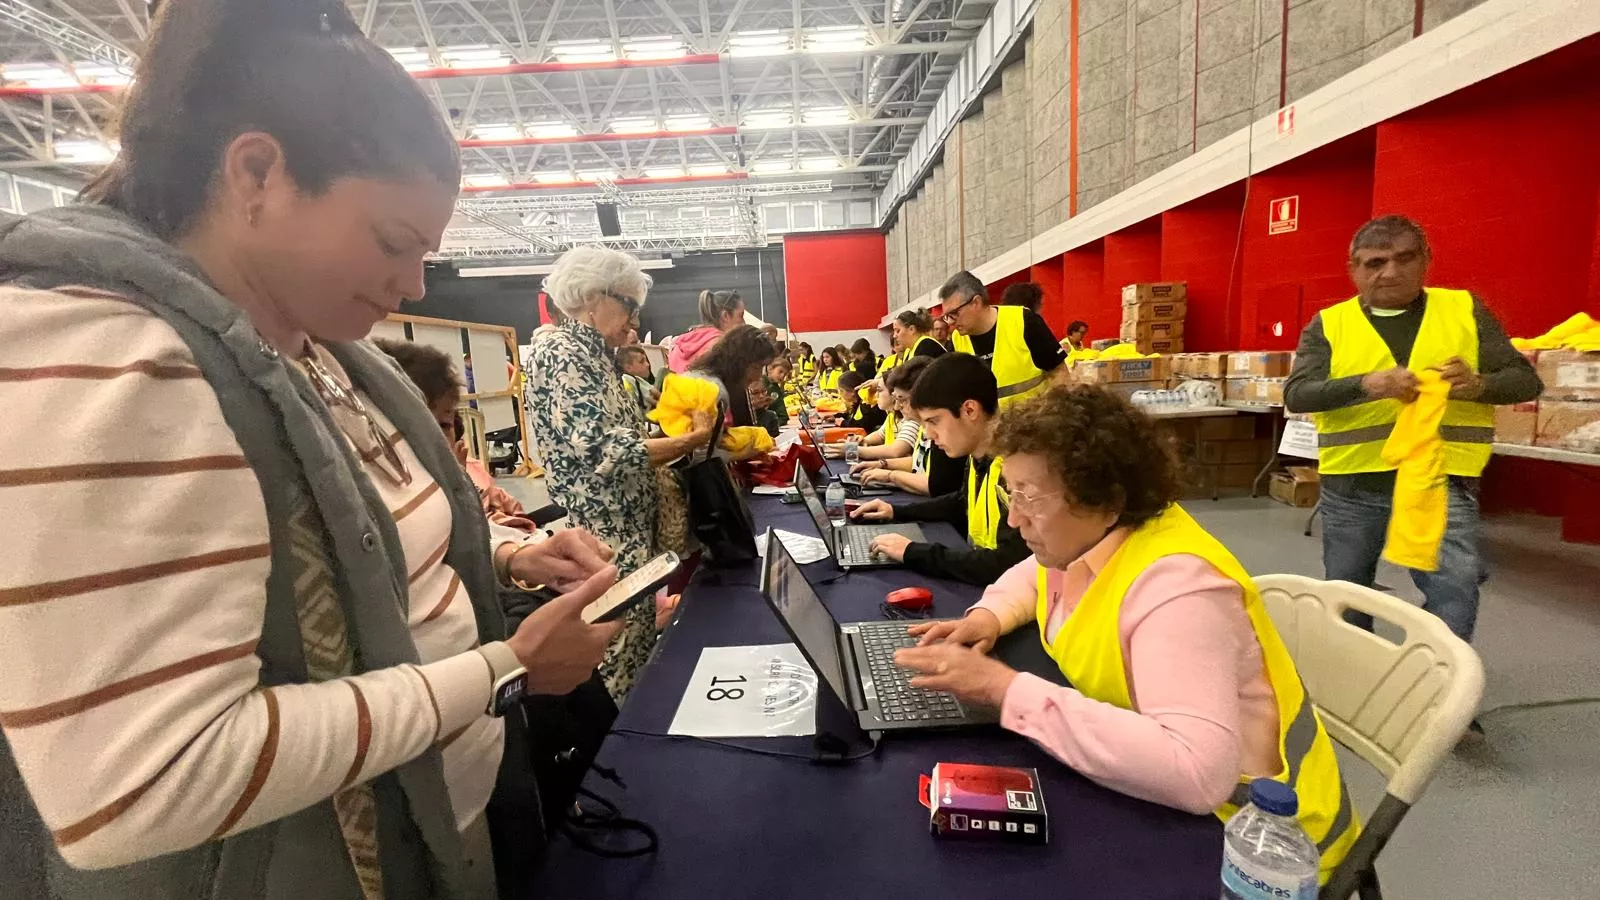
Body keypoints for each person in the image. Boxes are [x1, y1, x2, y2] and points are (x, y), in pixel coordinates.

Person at [0, 3, 625, 897]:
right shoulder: (113, 357)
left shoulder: (317, 349)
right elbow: (140, 786)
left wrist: (512, 554)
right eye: (392, 242)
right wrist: (502, 670)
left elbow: (362, 551)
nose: (413, 282)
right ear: (256, 170)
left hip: (435, 827)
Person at [893, 386, 1358, 882]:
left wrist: (1003, 690)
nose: (1014, 517)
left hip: (1253, 850)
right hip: (1165, 798)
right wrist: (989, 615)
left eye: (1031, 498)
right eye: (1014, 492)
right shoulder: (1088, 537)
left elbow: (1197, 773)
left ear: (1104, 496)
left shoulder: (1180, 588)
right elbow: (1032, 574)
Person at [1285, 215, 1541, 651]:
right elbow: (1299, 393)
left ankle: (1441, 693)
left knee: (1454, 587)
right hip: (1354, 483)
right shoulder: (1330, 324)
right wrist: (1366, 384)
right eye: (1374, 262)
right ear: (1354, 269)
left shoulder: (1463, 310)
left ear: (1426, 261)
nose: (1389, 272)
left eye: (1404, 259)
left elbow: (1525, 381)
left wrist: (1480, 384)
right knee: (1348, 590)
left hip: (1440, 480)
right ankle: (1354, 677)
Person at [526, 245, 718, 700]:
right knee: (615, 663)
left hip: (627, 538)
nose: (633, 320)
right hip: (607, 543)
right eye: (629, 305)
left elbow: (624, 431)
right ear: (593, 298)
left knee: (634, 654)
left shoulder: (592, 355)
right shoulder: (562, 353)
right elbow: (603, 450)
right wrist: (687, 442)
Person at [849, 353, 1029, 586]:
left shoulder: (1017, 470)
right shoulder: (979, 456)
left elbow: (1004, 564)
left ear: (970, 410)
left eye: (934, 421)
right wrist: (896, 512)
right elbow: (961, 501)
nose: (928, 434)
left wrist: (913, 552)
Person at [374, 337, 537, 531]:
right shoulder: (387, 503)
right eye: (414, 427)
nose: (434, 440)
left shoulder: (470, 471)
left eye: (444, 425)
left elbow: (499, 509)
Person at [940, 270, 1067, 410]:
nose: (950, 322)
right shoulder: (957, 341)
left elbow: (1060, 374)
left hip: (1035, 425)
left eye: (954, 313)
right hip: (990, 429)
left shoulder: (1024, 322)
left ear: (976, 302)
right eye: (946, 316)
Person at [850, 357, 965, 497]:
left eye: (901, 399)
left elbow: (936, 485)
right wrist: (882, 464)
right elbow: (919, 463)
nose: (897, 406)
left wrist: (891, 475)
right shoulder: (923, 427)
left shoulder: (942, 432)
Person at [685, 324, 778, 429]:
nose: (758, 376)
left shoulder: (700, 377)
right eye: (756, 367)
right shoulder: (716, 390)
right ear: (739, 362)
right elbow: (705, 443)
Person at [667, 288, 744, 373]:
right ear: (725, 316)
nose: (744, 323)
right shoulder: (722, 347)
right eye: (741, 316)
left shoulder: (681, 342)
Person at [616, 344, 659, 415]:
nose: (647, 364)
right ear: (628, 368)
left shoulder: (638, 380)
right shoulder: (627, 380)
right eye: (642, 361)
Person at [762, 356, 794, 421]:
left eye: (785, 374)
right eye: (780, 371)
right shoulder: (760, 383)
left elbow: (783, 415)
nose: (782, 376)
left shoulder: (776, 389)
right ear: (770, 369)